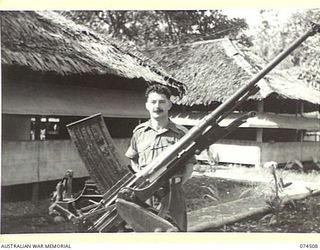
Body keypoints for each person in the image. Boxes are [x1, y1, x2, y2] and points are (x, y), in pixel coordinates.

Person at [125, 84, 195, 231]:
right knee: (145, 234)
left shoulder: (181, 133)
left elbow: (189, 166)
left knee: (175, 232)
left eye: (162, 102)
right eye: (153, 102)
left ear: (169, 104)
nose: (157, 106)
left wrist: (175, 186)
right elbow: (133, 158)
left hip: (172, 193)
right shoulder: (139, 132)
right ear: (147, 105)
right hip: (145, 193)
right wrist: (141, 178)